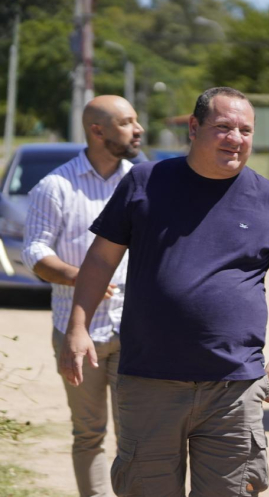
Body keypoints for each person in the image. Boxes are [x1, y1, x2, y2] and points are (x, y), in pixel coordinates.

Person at [58, 87, 269, 497]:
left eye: (245, 130)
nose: (236, 138)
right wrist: (78, 326)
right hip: (150, 379)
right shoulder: (145, 182)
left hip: (234, 386)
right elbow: (100, 259)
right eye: (223, 127)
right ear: (194, 127)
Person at [23, 95, 142, 497]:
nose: (138, 129)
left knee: (136, 436)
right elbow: (35, 251)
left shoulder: (140, 183)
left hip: (133, 331)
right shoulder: (55, 186)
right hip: (76, 332)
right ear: (97, 131)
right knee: (88, 434)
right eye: (127, 122)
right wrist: (80, 277)